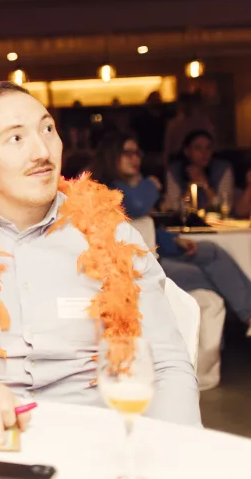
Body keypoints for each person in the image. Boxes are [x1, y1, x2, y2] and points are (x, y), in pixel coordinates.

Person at [0, 82, 199, 446]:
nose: (42, 151)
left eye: (47, 129)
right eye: (16, 138)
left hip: (94, 437)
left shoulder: (113, 233)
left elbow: (167, 364)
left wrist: (176, 451)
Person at [92, 131, 251, 333]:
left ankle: (249, 313)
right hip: (135, 266)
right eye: (128, 153)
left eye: (137, 153)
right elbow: (136, 206)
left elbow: (143, 227)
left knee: (211, 250)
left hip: (153, 253)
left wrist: (175, 241)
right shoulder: (105, 190)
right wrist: (150, 185)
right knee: (204, 275)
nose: (135, 159)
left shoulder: (135, 185)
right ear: (112, 155)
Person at [163, 129, 234, 213]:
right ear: (187, 151)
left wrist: (205, 185)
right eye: (198, 148)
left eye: (208, 148)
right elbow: (173, 207)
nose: (204, 153)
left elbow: (225, 206)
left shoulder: (222, 169)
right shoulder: (175, 170)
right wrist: (190, 188)